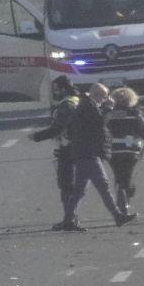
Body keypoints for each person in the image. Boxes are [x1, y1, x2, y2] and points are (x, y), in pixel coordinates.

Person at [59, 84, 137, 232]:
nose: (106, 99)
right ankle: (118, 216)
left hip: (84, 153)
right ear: (96, 95)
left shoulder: (86, 105)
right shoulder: (89, 106)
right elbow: (100, 123)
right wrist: (108, 109)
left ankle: (68, 220)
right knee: (103, 185)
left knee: (79, 190)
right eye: (104, 96)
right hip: (88, 153)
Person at [32, 76, 82, 228]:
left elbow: (58, 128)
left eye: (56, 89)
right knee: (75, 185)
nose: (54, 93)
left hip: (68, 148)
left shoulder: (66, 105)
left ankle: (69, 219)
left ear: (63, 89)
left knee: (66, 185)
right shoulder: (78, 100)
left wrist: (37, 136)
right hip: (80, 147)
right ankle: (71, 217)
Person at [106, 87, 144, 217]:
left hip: (112, 151)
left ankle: (122, 203)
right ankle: (124, 204)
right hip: (130, 151)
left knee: (118, 176)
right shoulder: (134, 113)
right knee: (126, 178)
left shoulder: (108, 114)